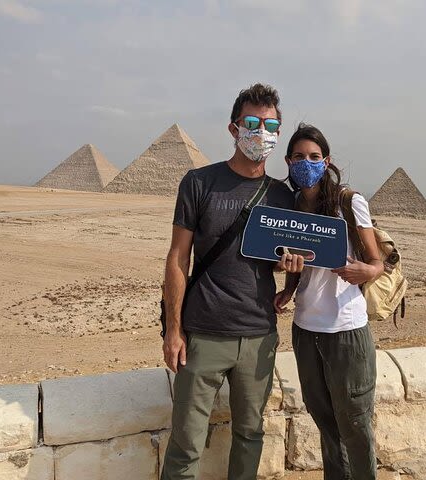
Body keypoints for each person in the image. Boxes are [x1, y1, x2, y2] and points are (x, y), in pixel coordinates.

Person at [160, 84, 304, 480]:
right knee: (186, 443)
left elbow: (283, 262)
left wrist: (291, 271)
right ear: (233, 128)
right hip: (203, 334)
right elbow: (177, 258)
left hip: (258, 335)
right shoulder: (198, 182)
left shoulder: (282, 196)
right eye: (254, 123)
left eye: (271, 125)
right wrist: (173, 331)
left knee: (250, 434)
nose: (262, 133)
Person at [274, 123, 384, 480]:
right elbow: (300, 259)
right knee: (324, 421)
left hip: (345, 330)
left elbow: (376, 261)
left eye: (314, 157)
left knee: (354, 425)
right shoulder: (290, 206)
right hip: (306, 329)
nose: (306, 163)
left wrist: (365, 271)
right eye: (299, 157)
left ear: (327, 161)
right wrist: (290, 287)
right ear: (288, 161)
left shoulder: (349, 202)